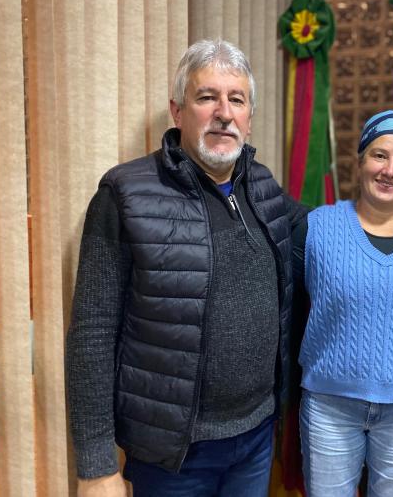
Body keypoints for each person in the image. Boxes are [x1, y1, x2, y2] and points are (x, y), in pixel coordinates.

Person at [66, 38, 307, 497]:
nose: (224, 113)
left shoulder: (261, 185)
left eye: (237, 100)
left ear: (249, 118)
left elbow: (323, 229)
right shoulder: (124, 194)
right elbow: (92, 334)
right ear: (178, 112)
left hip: (256, 437)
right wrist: (96, 466)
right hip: (172, 455)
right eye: (207, 97)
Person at [292, 110, 393, 496]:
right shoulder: (316, 227)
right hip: (329, 407)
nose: (390, 170)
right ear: (359, 161)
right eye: (379, 155)